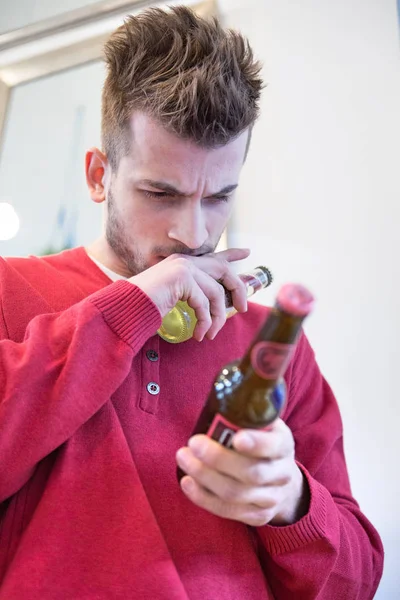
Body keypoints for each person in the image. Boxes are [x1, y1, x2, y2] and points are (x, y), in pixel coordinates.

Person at [0, 6, 383, 599]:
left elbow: (356, 583)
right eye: (160, 192)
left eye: (219, 196)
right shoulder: (9, 290)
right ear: (100, 175)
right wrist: (132, 307)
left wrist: (291, 504)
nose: (192, 232)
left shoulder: (272, 344)